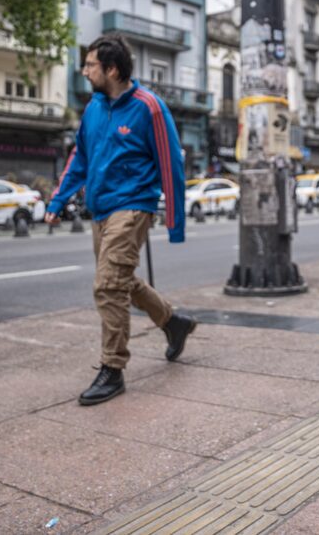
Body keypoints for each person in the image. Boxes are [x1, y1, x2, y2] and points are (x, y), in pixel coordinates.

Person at [46, 33, 194, 406]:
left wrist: (175, 223)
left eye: (90, 64)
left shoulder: (150, 107)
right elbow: (80, 157)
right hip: (100, 209)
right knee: (120, 280)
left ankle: (112, 368)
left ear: (111, 69)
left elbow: (171, 164)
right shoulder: (94, 108)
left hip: (133, 206)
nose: (84, 71)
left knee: (108, 285)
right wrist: (58, 199)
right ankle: (173, 322)